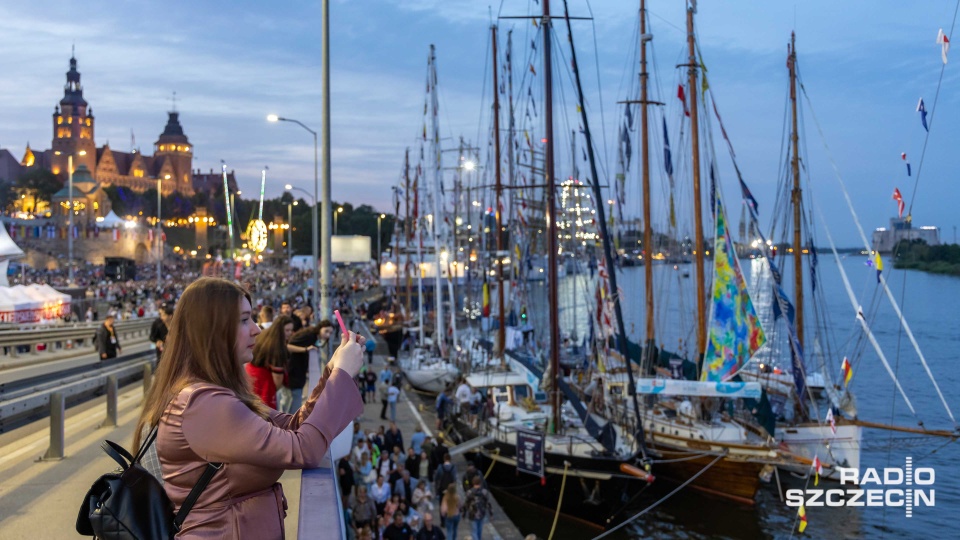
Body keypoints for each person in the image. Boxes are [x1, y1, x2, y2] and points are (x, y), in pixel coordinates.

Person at [132, 277, 364, 538]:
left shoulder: (211, 393)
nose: (256, 329)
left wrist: (332, 373)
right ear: (212, 330)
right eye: (244, 320)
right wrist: (343, 375)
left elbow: (292, 426)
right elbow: (303, 449)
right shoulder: (203, 404)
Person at [245, 314, 293, 409]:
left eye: (291, 330)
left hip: (250, 372)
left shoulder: (264, 334)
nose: (290, 333)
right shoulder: (278, 346)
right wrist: (273, 390)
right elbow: (278, 378)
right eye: (287, 330)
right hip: (263, 381)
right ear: (280, 330)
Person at [286, 321, 330, 412]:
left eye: (330, 333)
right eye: (326, 331)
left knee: (294, 401)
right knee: (294, 402)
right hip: (294, 372)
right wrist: (305, 349)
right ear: (320, 328)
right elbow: (288, 346)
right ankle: (290, 424)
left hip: (298, 373)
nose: (328, 335)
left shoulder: (312, 336)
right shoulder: (309, 335)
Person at [463, 475, 494, 540]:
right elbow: (488, 504)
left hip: (472, 514)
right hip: (481, 513)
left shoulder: (469, 492)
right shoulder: (484, 492)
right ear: (480, 482)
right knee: (479, 531)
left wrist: (464, 513)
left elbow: (466, 504)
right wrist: (491, 514)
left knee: (474, 532)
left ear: (473, 482)